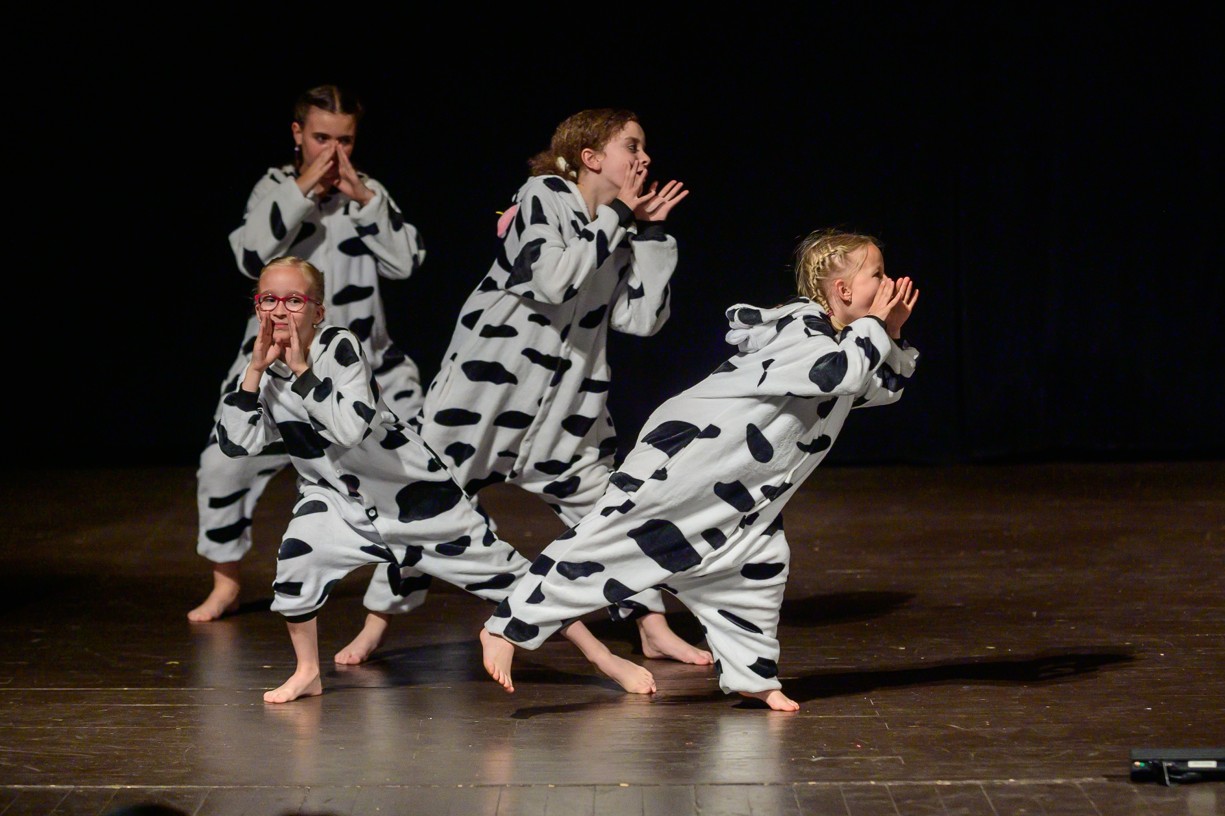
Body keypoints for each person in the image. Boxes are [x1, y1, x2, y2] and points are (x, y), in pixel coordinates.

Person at [479, 228, 920, 711]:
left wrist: (891, 332)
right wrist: (875, 325)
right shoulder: (801, 327)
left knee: (756, 568)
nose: (889, 282)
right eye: (877, 274)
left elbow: (880, 388)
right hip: (687, 460)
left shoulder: (842, 340)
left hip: (737, 492)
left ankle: (751, 675)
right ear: (843, 290)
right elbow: (842, 374)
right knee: (611, 541)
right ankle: (506, 627)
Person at [337, 107, 714, 668]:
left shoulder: (621, 227)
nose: (645, 158)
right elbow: (553, 279)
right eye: (632, 146)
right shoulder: (544, 196)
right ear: (590, 157)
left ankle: (650, 626)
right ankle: (377, 621)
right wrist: (617, 219)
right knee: (430, 502)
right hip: (485, 393)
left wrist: (652, 235)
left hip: (568, 406)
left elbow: (640, 321)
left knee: (610, 514)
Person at [216, 256, 657, 703]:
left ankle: (603, 658)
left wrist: (302, 373)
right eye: (268, 299)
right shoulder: (263, 371)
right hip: (337, 504)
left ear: (318, 310)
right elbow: (236, 444)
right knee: (296, 565)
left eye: (293, 300)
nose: (279, 310)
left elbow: (350, 428)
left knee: (511, 578)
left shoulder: (340, 348)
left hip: (415, 498)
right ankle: (308, 671)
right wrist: (253, 373)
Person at [189, 84, 428, 640]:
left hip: (365, 366)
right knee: (222, 465)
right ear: (298, 134)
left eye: (345, 140)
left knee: (412, 475)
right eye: (322, 138)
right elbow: (249, 255)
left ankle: (382, 609)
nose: (334, 151)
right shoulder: (274, 189)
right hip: (276, 364)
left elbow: (406, 262)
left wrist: (363, 197)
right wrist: (301, 190)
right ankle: (226, 579)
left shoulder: (368, 194)